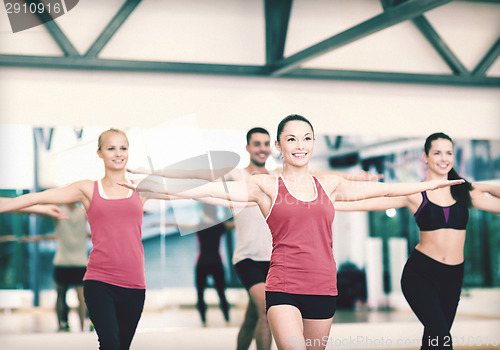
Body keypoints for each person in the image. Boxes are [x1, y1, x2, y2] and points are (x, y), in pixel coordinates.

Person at [121, 116, 464, 350]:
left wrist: (429, 183)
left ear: (313, 143)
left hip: (323, 287)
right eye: (291, 139)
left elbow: (388, 191)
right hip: (283, 285)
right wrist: (156, 181)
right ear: (279, 146)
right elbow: (211, 190)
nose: (300, 145)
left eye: (306, 138)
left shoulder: (328, 184)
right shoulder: (264, 185)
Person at [0, 128, 253, 350]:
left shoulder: (140, 187)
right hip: (99, 280)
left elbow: (193, 185)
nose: (118, 153)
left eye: (123, 148)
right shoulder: (87, 189)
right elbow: (36, 198)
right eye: (111, 148)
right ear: (100, 153)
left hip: (134, 283)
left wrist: (155, 172)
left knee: (121, 346)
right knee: (109, 344)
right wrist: (5, 205)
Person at [335, 132, 500, 350]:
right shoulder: (415, 192)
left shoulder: (464, 193)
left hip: (453, 276)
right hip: (421, 274)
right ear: (426, 157)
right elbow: (370, 201)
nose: (444, 158)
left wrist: (486, 187)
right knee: (442, 338)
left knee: (434, 339)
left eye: (449, 152)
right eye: (437, 153)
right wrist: (331, 203)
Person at [21, 202, 90, 332]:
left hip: (63, 261)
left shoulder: (59, 211)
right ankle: (82, 328)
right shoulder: (83, 212)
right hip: (79, 261)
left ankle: (60, 326)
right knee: (81, 297)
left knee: (60, 295)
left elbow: (37, 211)